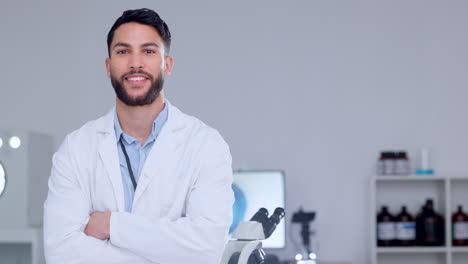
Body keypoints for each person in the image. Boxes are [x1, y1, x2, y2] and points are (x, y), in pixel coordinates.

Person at [43, 8, 234, 264]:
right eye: (123, 51)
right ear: (108, 66)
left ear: (167, 65)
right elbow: (61, 252)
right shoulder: (76, 148)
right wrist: (168, 250)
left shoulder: (206, 145)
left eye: (148, 51)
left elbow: (207, 247)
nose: (135, 63)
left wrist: (113, 225)